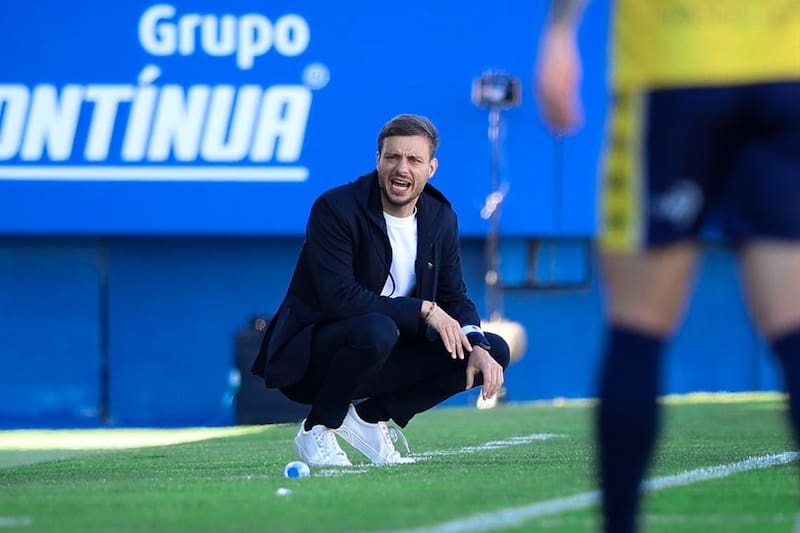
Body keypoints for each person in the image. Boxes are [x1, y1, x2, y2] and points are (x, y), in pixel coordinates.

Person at [536, 1, 800, 531]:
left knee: (638, 326)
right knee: (793, 326)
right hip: (785, 67)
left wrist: (561, 29)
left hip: (674, 68)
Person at [251, 114, 510, 467]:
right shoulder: (335, 209)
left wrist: (476, 342)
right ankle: (317, 429)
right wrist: (425, 310)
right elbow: (339, 298)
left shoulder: (440, 218)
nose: (401, 169)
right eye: (392, 157)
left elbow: (454, 294)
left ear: (431, 168)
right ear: (378, 161)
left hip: (385, 351)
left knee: (493, 350)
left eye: (414, 160)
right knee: (377, 328)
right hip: (316, 357)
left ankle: (370, 418)